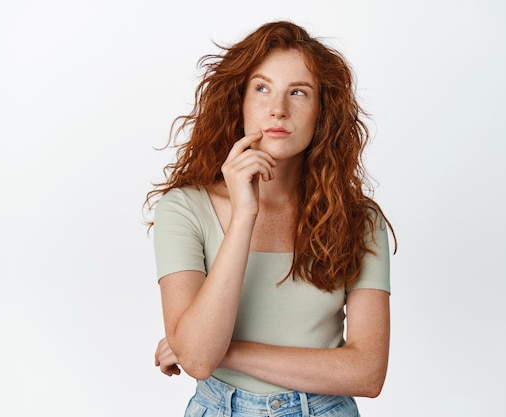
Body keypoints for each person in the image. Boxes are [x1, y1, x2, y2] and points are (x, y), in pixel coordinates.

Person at [145, 20, 397, 417]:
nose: (277, 109)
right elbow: (195, 358)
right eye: (261, 88)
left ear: (322, 112)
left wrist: (219, 352)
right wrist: (245, 215)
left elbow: (367, 373)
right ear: (239, 102)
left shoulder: (359, 220)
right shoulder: (184, 209)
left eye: (298, 92)